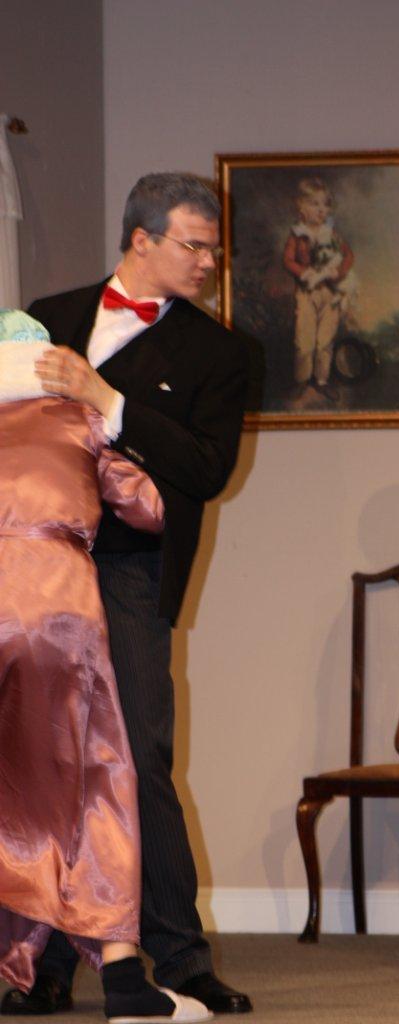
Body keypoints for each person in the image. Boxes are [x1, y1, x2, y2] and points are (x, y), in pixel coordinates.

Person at [0, 174, 251, 1016]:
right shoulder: (50, 313)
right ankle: (42, 965)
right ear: (141, 239)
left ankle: (180, 960)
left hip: (133, 569)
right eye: (195, 245)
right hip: (35, 570)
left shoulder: (221, 353)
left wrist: (103, 398)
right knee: (40, 761)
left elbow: (205, 470)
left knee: (139, 757)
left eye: (214, 248)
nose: (210, 262)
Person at [0, 310, 210, 1023]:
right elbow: (150, 508)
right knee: (96, 779)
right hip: (57, 608)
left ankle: (28, 954)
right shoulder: (77, 420)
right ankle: (123, 978)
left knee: (12, 785)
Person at [282, 177, 354, 402]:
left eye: (325, 204)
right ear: (301, 207)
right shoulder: (298, 234)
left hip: (330, 292)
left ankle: (321, 380)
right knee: (304, 340)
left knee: (325, 339)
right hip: (307, 293)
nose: (321, 209)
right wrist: (303, 272)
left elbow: (348, 256)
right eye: (315, 204)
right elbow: (288, 260)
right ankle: (302, 379)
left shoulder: (331, 234)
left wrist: (338, 271)